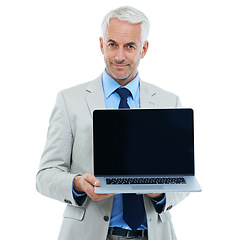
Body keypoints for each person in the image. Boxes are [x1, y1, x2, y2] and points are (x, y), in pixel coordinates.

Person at [36, 6, 189, 240]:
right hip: (89, 233)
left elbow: (184, 178)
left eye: (129, 47)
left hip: (153, 233)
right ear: (101, 45)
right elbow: (45, 175)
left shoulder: (169, 102)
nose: (119, 56)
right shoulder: (70, 100)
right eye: (112, 44)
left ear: (144, 49)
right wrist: (78, 184)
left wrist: (160, 193)